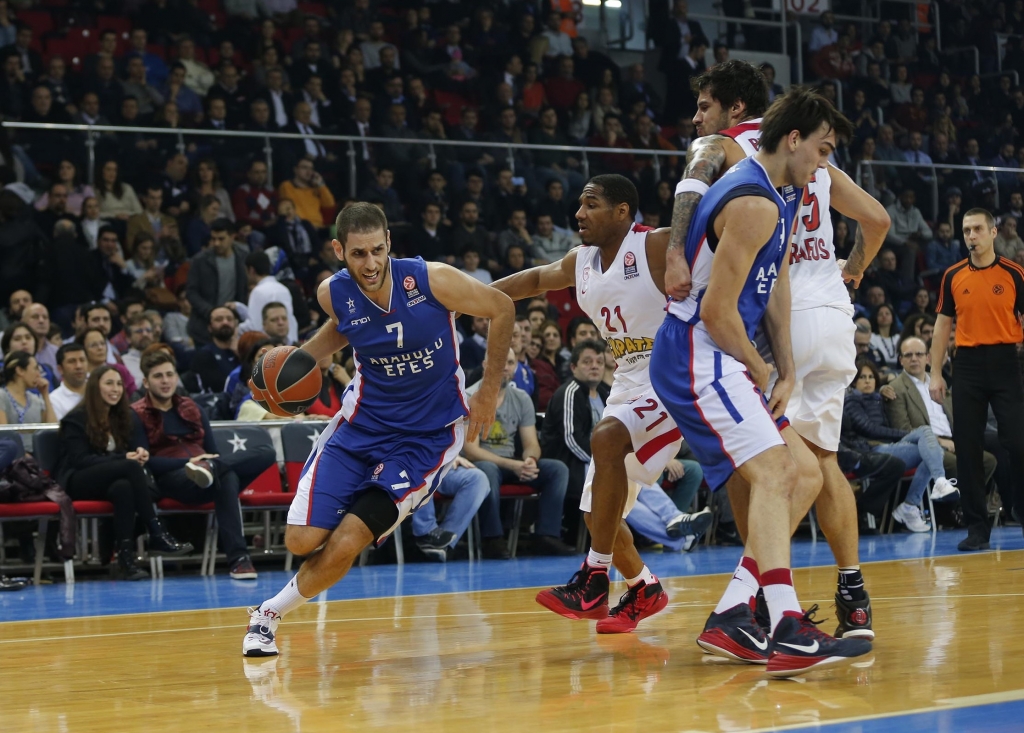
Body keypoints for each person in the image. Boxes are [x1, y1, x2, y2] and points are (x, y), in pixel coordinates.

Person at [651, 88, 871, 676]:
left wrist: (788, 368)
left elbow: (774, 283)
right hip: (698, 352)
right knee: (777, 473)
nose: (823, 165)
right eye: (822, 150)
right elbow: (717, 313)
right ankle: (788, 626)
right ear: (793, 139)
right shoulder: (752, 201)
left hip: (718, 351)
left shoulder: (780, 195)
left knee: (804, 472)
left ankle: (732, 614)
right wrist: (759, 363)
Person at [243, 202, 515, 657]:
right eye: (358, 254)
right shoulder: (333, 292)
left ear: (389, 242)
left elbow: (502, 308)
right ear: (339, 251)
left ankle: (267, 615)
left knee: (348, 540)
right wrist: (297, 366)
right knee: (301, 540)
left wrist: (487, 391)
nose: (369, 263)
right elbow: (345, 327)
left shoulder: (432, 279)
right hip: (361, 427)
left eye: (376, 251)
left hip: (426, 439)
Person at [494, 175, 705, 633]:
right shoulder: (582, 261)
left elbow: (719, 244)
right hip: (628, 379)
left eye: (591, 204)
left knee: (607, 438)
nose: (579, 213)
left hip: (674, 376)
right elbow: (536, 279)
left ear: (622, 211)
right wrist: (474, 298)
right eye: (579, 204)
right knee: (597, 514)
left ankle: (593, 578)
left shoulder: (655, 246)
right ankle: (644, 588)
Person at [931, 208, 1024, 551]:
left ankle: (1018, 507)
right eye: (967, 230)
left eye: (978, 229)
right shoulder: (953, 275)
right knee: (967, 447)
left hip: (1006, 362)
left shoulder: (1014, 273)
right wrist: (935, 373)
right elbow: (942, 326)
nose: (971, 235)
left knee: (1018, 442)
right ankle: (977, 528)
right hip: (967, 364)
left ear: (993, 232)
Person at [132, 350, 270, 579]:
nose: (165, 381)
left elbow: (213, 451)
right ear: (146, 382)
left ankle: (212, 469)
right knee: (227, 477)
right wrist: (189, 462)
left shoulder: (192, 407)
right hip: (173, 477)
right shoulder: (136, 413)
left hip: (208, 470)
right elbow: (146, 463)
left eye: (169, 374)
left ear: (176, 377)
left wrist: (210, 463)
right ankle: (240, 560)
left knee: (266, 452)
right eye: (158, 376)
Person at [56, 366, 192, 580]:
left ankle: (125, 559)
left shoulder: (121, 417)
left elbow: (126, 453)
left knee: (124, 488)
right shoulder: (76, 419)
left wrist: (138, 453)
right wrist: (124, 459)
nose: (116, 389)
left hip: (111, 479)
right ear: (95, 387)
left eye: (119, 384)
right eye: (109, 383)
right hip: (77, 479)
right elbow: (80, 460)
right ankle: (156, 531)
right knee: (130, 467)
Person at [843, 358, 956, 532]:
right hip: (873, 449)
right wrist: (903, 434)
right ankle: (927, 491)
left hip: (892, 446)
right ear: (854, 382)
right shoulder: (851, 401)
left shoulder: (880, 398)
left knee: (931, 449)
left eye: (871, 377)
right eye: (862, 377)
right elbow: (869, 429)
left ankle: (911, 504)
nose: (867, 381)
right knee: (929, 441)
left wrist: (882, 389)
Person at [410, 457, 491, 562]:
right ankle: (426, 533)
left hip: (439, 467)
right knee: (418, 462)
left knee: (478, 479)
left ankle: (440, 544)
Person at [0, 351, 56, 453]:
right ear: (20, 370)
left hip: (36, 455)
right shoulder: (2, 396)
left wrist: (45, 395)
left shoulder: (36, 400)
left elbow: (52, 430)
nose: (39, 374)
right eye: (35, 368)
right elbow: (4, 436)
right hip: (11, 456)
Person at [237, 251, 298, 344]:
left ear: (251, 270)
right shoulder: (283, 289)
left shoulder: (258, 291)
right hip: (290, 342)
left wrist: (236, 329)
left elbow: (254, 325)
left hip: (269, 346)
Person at [50, 342, 88, 419]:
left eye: (82, 360)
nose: (79, 366)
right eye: (72, 361)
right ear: (60, 369)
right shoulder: (54, 400)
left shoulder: (99, 390)